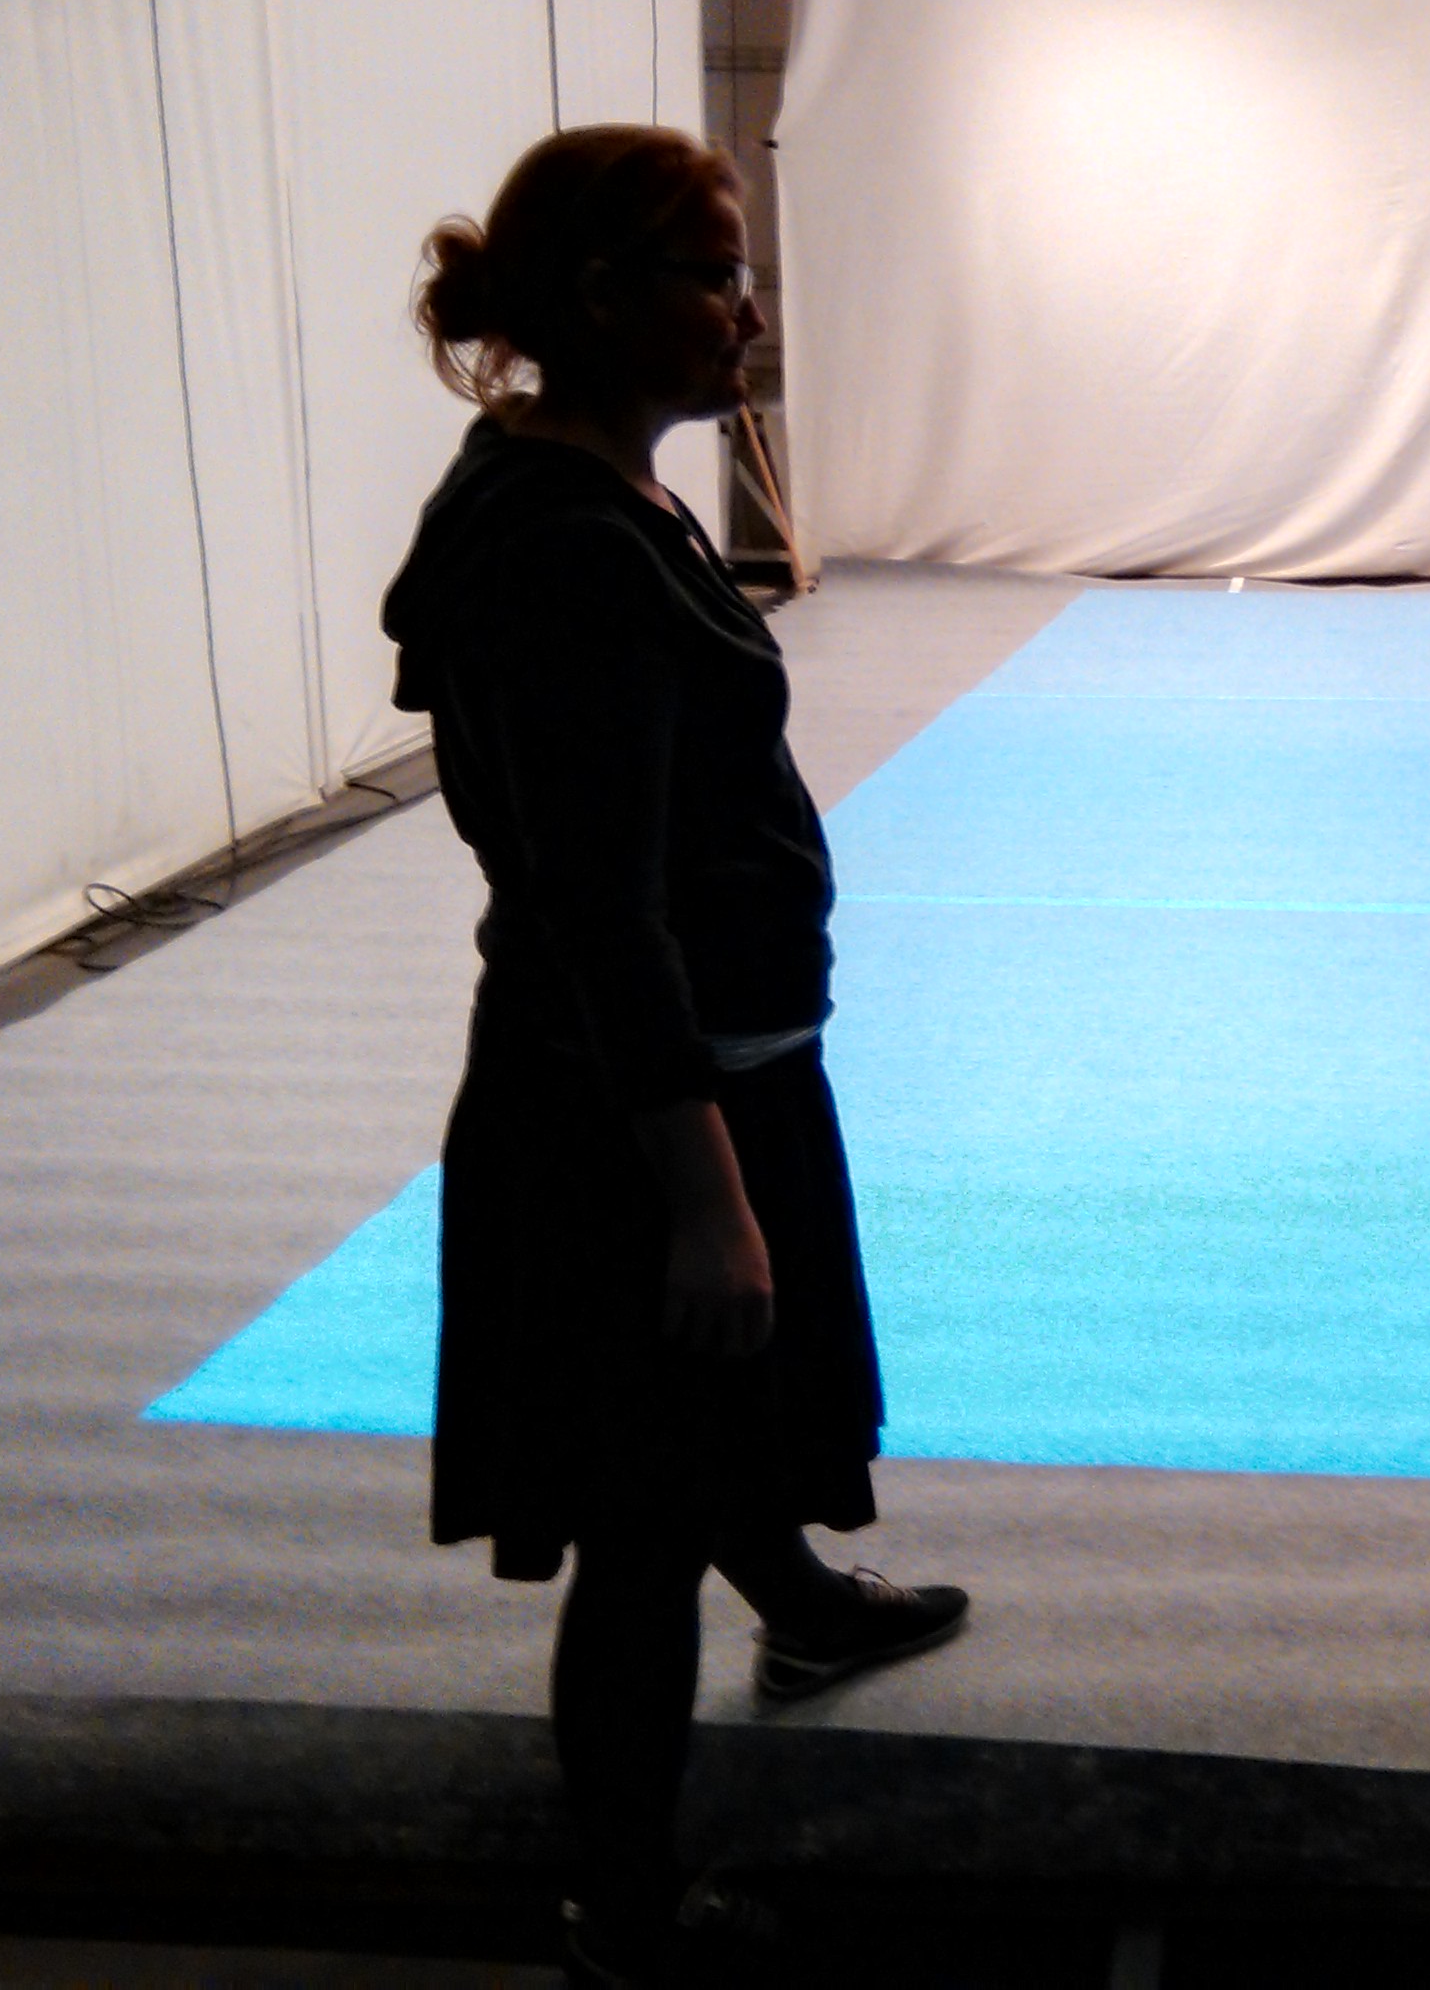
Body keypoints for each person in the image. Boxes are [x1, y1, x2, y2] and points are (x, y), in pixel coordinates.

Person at [383, 125, 967, 1988]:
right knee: (642, 1517)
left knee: (728, 1413)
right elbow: (599, 914)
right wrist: (706, 1200)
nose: (746, 310)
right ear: (601, 296)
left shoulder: (588, 492)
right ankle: (622, 1917)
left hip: (705, 1061)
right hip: (633, 1107)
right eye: (716, 273)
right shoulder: (565, 555)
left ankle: (796, 1600)